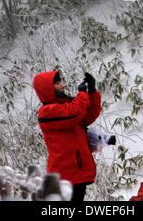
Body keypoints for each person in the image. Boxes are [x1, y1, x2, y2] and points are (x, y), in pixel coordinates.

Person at [33, 70, 102, 202]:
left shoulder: (65, 107)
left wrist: (92, 92)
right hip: (66, 175)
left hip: (76, 172)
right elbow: (75, 112)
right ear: (47, 88)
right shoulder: (47, 112)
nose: (63, 85)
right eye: (58, 82)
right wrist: (82, 94)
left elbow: (89, 115)